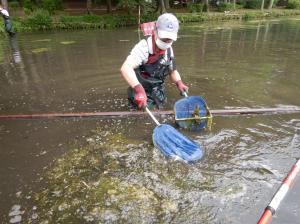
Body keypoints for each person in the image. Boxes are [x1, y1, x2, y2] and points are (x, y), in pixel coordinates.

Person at [120, 13, 188, 109]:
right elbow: (126, 68)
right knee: (141, 115)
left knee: (160, 110)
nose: (166, 42)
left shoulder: (169, 49)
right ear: (155, 31)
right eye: (164, 38)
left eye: (169, 39)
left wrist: (179, 82)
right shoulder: (143, 47)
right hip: (140, 91)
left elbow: (172, 70)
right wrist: (139, 90)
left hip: (157, 90)